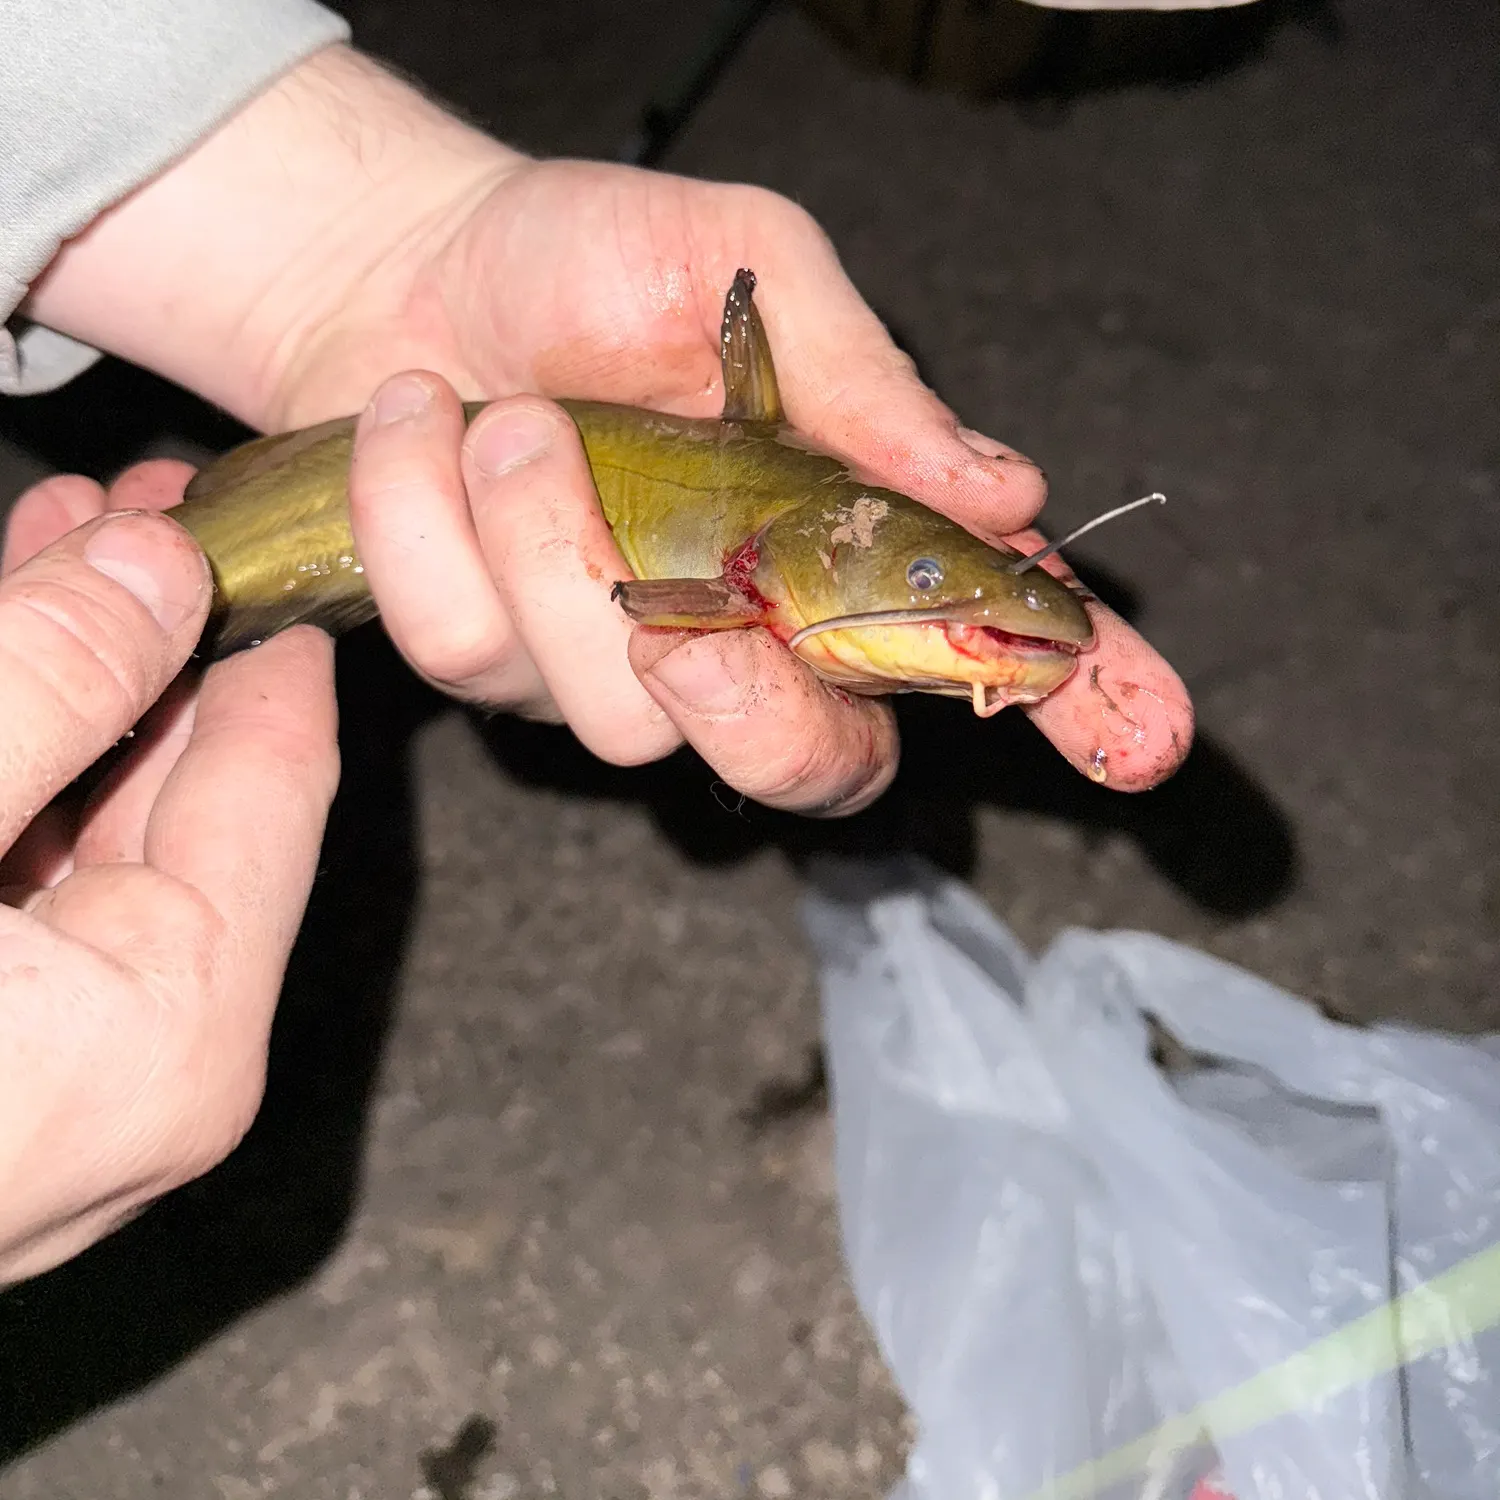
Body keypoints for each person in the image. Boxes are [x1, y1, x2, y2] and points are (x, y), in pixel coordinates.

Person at [0, 3, 1193, 1281]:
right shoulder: (765, 532)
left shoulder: (802, 507)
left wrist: (378, 250)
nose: (981, 623)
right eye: (915, 573)